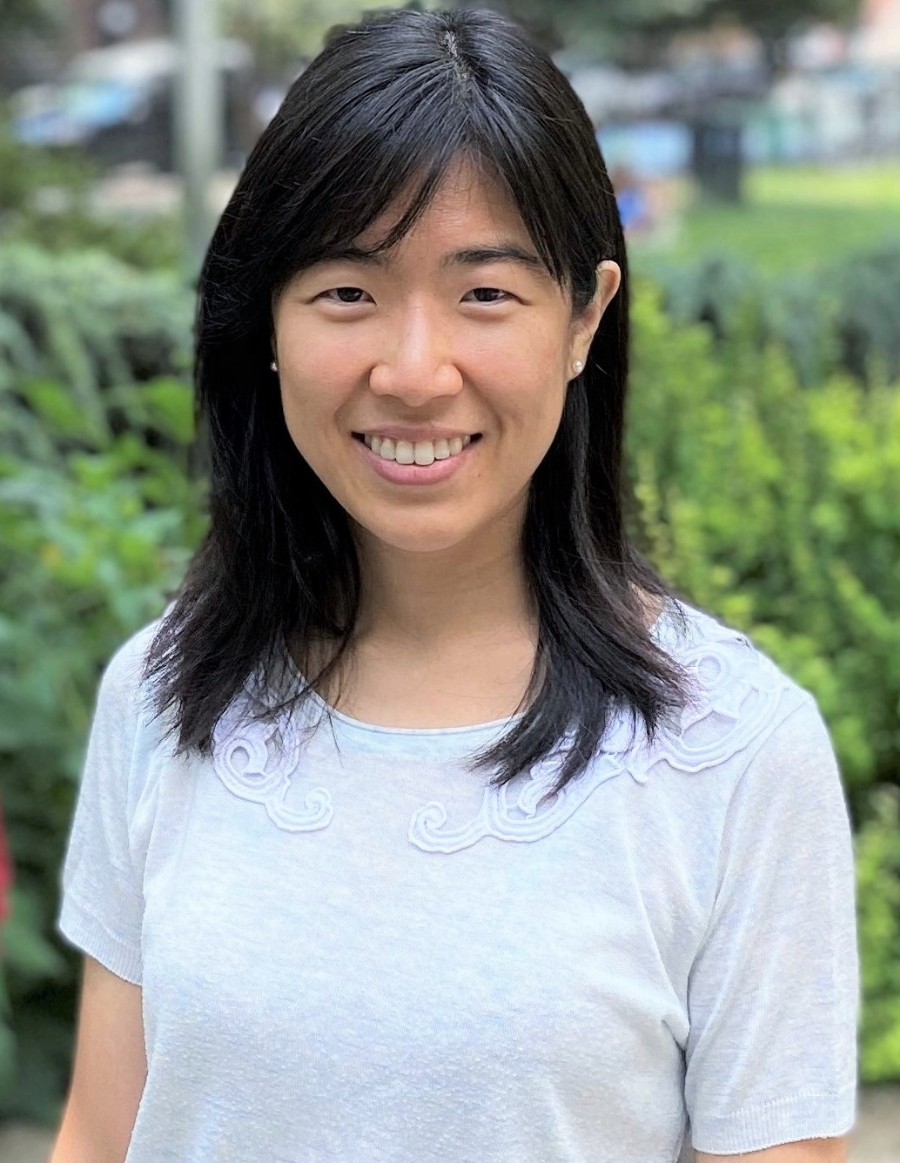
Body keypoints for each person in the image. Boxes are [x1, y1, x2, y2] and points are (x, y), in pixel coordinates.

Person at [51, 9, 859, 1163]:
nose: (415, 370)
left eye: (486, 294)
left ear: (585, 317)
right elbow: (100, 1130)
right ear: (268, 319)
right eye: (346, 292)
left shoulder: (733, 750)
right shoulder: (165, 695)